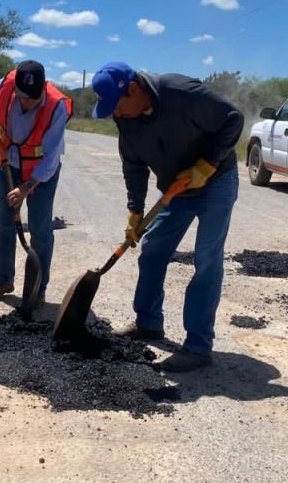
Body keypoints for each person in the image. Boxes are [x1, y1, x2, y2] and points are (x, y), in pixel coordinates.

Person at [91, 61, 243, 372]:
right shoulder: (127, 118)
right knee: (152, 252)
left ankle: (198, 346)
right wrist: (135, 211)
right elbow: (133, 164)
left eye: (117, 106)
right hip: (176, 189)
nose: (116, 114)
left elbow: (232, 119)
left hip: (215, 181)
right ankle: (148, 324)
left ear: (133, 89)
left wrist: (207, 165)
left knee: (206, 261)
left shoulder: (180, 91)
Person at [0, 60, 71, 306]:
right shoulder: (5, 87)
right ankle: (4, 280)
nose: (26, 102)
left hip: (42, 172)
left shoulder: (56, 106)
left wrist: (26, 187)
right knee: (5, 225)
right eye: (22, 96)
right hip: (9, 163)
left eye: (32, 98)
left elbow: (51, 158)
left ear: (43, 88)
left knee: (41, 231)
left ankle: (37, 290)